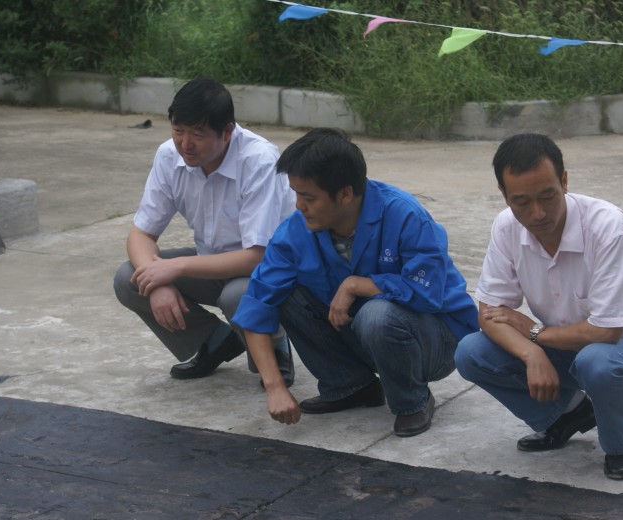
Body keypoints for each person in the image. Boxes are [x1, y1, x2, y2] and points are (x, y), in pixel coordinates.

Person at [454, 133, 623, 480]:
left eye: (548, 196)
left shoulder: (608, 228)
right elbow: (490, 314)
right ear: (504, 195)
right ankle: (570, 414)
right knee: (471, 352)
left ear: (565, 181)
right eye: (521, 202)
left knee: (597, 361)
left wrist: (535, 333)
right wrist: (532, 353)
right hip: (564, 346)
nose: (537, 213)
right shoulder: (506, 227)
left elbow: (607, 331)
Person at [231, 128, 479, 437]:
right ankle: (350, 386)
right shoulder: (294, 232)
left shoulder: (404, 215)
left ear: (345, 194)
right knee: (288, 294)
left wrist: (356, 285)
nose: (298, 206)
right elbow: (257, 306)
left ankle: (412, 401)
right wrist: (275, 387)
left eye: (309, 198)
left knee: (377, 315)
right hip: (365, 337)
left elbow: (426, 293)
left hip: (435, 341)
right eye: (295, 194)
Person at [114, 77, 296, 385]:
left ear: (227, 131)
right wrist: (157, 283)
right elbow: (141, 234)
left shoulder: (259, 161)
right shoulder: (169, 156)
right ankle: (213, 342)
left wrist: (176, 268)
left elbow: (257, 256)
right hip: (211, 262)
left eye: (197, 134)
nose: (185, 143)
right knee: (130, 278)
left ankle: (275, 353)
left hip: (267, 270)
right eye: (178, 130)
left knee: (237, 295)